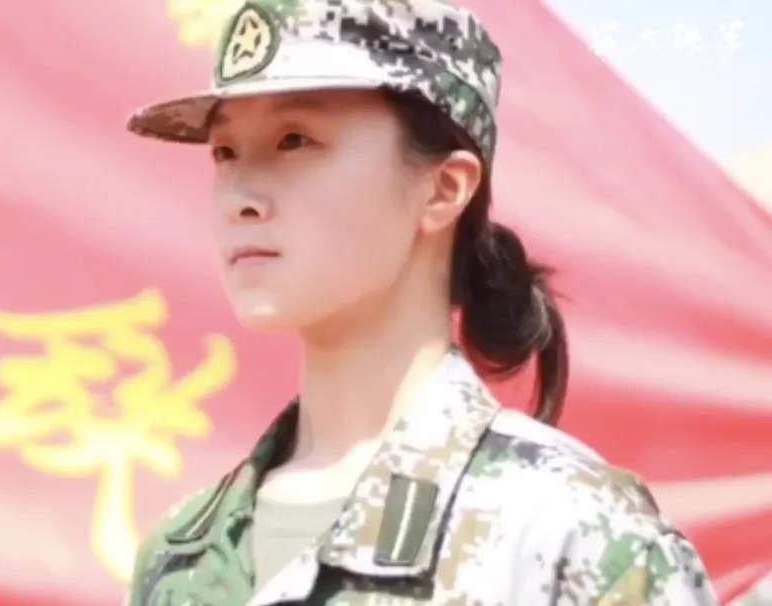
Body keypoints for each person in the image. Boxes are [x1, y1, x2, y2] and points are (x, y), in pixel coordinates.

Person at [123, 0, 719, 604]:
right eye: (224, 152)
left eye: (294, 139)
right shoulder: (180, 556)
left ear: (444, 188)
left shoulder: (571, 533)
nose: (240, 197)